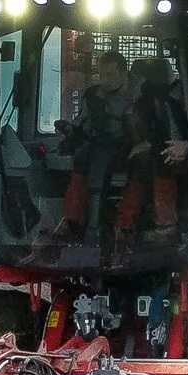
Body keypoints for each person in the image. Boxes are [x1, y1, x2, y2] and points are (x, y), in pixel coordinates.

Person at [52, 49, 132, 239]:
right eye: (101, 75)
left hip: (125, 146)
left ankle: (95, 227)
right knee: (81, 157)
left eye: (110, 75)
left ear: (123, 73)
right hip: (95, 144)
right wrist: (68, 129)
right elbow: (81, 121)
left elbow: (143, 126)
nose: (104, 80)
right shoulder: (93, 96)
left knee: (97, 159)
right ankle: (71, 220)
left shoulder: (137, 96)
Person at [116, 55, 188, 240]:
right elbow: (143, 129)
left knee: (158, 159)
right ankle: (123, 226)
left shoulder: (186, 95)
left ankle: (166, 224)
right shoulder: (143, 99)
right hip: (158, 149)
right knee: (141, 162)